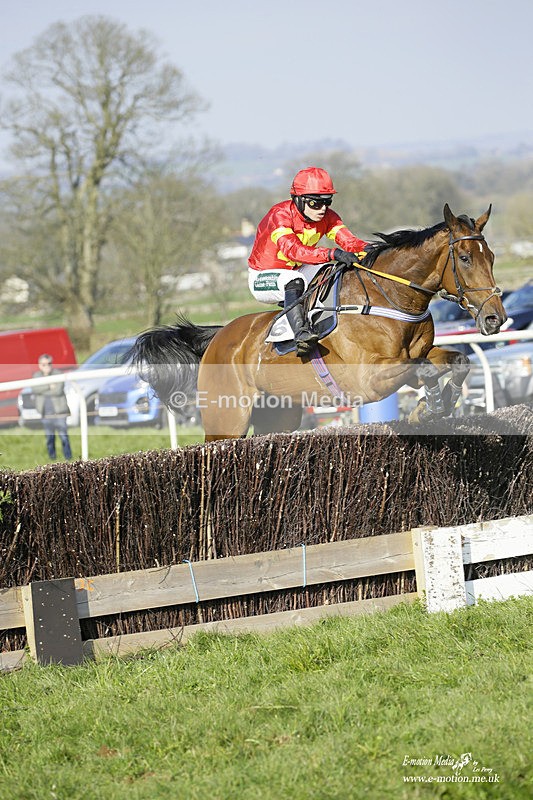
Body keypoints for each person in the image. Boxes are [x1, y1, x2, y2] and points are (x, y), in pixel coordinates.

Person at [248, 166, 368, 355]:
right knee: (293, 280)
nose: (323, 209)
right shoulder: (279, 216)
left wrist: (371, 249)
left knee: (332, 271)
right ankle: (301, 334)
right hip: (263, 277)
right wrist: (332, 253)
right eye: (315, 203)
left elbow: (350, 242)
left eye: (327, 202)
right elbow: (293, 250)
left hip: (298, 269)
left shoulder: (328, 216)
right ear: (298, 199)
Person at [32, 354, 72, 461]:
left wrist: (42, 388)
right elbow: (35, 389)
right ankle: (52, 460)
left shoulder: (58, 374)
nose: (47, 366)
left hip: (60, 412)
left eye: (49, 363)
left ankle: (69, 459)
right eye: (44, 364)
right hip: (45, 413)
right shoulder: (36, 376)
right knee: (50, 438)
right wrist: (49, 386)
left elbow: (58, 390)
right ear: (39, 365)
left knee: (64, 437)